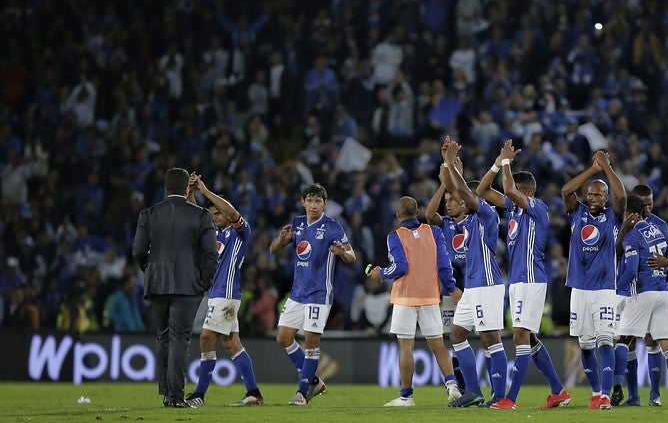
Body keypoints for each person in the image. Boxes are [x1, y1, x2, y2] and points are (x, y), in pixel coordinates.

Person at [475, 139, 570, 410]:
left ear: (526, 191)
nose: (511, 192)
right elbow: (482, 191)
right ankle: (558, 391)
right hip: (517, 280)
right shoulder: (515, 209)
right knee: (529, 337)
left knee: (519, 335)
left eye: (517, 189)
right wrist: (497, 163)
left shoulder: (537, 207)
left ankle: (511, 398)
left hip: (530, 278)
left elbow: (507, 189)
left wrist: (507, 161)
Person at [132, 167, 218, 409]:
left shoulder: (148, 214)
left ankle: (167, 393)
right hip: (188, 285)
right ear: (186, 188)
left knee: (162, 337)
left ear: (165, 188)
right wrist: (203, 282)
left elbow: (138, 250)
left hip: (157, 283)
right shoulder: (202, 215)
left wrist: (150, 270)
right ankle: (176, 396)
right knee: (179, 338)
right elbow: (211, 255)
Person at [367, 195, 463, 406]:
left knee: (406, 346)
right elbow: (444, 265)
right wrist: (452, 288)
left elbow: (400, 267)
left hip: (405, 297)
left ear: (398, 215)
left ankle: (406, 396)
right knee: (438, 345)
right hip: (430, 296)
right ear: (418, 212)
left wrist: (381, 273)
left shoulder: (394, 236)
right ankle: (452, 386)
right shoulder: (434, 232)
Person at [269, 182, 356, 406]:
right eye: (310, 200)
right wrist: (281, 240)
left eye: (318, 201)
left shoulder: (332, 226)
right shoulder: (296, 223)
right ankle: (314, 381)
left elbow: (352, 257)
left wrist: (342, 253)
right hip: (297, 292)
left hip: (319, 293)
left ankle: (302, 391)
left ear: (325, 204)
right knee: (283, 338)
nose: (313, 205)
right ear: (303, 202)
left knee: (311, 339)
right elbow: (273, 249)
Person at [184, 173, 264, 407]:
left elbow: (231, 212)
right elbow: (196, 215)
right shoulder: (214, 234)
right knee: (231, 344)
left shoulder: (240, 232)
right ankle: (254, 393)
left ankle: (199, 394)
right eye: (212, 214)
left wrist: (205, 191)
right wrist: (190, 192)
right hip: (217, 294)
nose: (215, 217)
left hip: (226, 294)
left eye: (218, 213)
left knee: (206, 338)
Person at [440, 137, 508, 408]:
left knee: (490, 338)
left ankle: (500, 395)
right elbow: (457, 193)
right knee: (457, 335)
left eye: (462, 199)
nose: (456, 202)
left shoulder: (487, 214)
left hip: (487, 283)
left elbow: (465, 194)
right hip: (472, 286)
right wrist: (449, 170)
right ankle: (473, 391)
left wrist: (451, 166)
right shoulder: (464, 220)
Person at [560, 149, 627, 410]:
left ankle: (606, 396)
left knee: (605, 339)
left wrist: (606, 167)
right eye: (589, 194)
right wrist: (592, 170)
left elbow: (622, 196)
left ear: (606, 198)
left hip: (605, 288)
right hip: (579, 287)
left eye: (598, 194)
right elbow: (566, 190)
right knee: (585, 344)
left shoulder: (613, 216)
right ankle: (596, 393)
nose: (592, 198)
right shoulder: (577, 212)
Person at [613, 184, 668, 406]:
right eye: (644, 205)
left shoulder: (659, 225)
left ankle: (653, 394)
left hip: (639, 288)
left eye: (650, 204)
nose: (647, 209)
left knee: (636, 340)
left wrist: (666, 262)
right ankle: (636, 396)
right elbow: (616, 252)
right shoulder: (622, 222)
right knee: (649, 343)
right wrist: (623, 230)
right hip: (657, 291)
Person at [423, 157, 468, 389]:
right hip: (451, 290)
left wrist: (457, 178)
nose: (448, 204)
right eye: (447, 201)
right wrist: (443, 185)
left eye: (452, 200)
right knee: (453, 337)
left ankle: (486, 387)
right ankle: (461, 386)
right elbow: (429, 214)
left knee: (486, 338)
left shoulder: (474, 219)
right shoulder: (445, 223)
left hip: (473, 287)